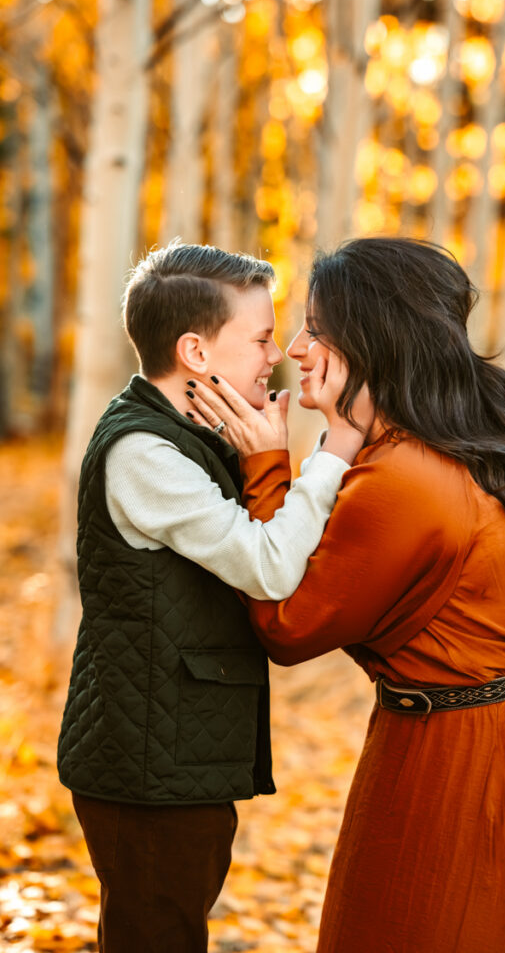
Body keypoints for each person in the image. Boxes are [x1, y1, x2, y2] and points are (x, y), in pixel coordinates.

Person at [188, 237, 505, 953]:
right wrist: (334, 447)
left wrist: (265, 466)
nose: (295, 347)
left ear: (374, 338)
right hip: (472, 736)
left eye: (317, 329)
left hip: (489, 765)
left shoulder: (403, 479)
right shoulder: (409, 449)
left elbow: (289, 627)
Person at [57, 242, 367, 953]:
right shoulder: (146, 455)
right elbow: (267, 566)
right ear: (196, 352)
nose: (276, 356)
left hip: (169, 759)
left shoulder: (189, 436)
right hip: (145, 769)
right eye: (260, 338)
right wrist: (331, 454)